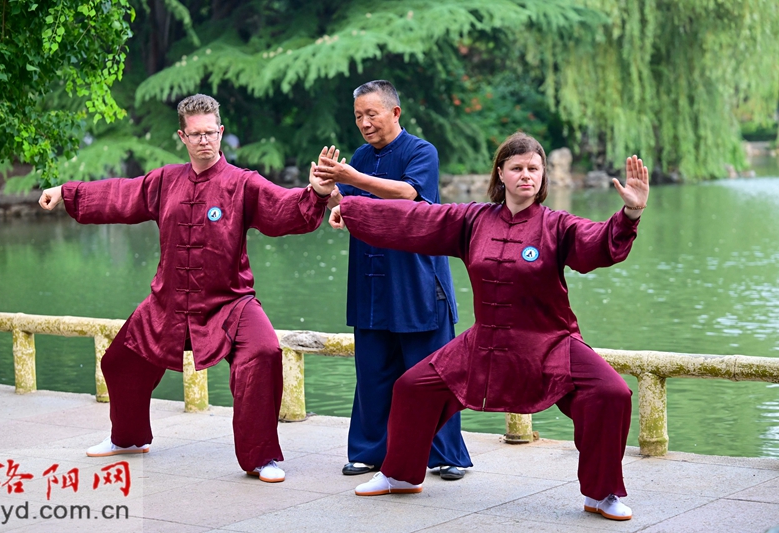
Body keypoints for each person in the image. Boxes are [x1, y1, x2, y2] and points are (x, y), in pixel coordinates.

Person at [329, 132, 649, 521]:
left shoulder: (557, 226)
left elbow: (596, 242)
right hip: (485, 342)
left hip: (550, 342)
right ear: (501, 173)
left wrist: (629, 215)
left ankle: (603, 494)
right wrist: (352, 209)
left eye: (534, 168)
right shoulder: (472, 220)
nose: (525, 176)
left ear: (543, 175)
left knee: (612, 393)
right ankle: (399, 475)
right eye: (517, 168)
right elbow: (416, 219)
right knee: (412, 388)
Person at [38, 94, 335, 483]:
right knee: (119, 362)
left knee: (262, 352)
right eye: (195, 134)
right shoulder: (164, 181)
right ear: (183, 136)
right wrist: (67, 192)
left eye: (210, 132)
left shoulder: (242, 183)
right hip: (168, 302)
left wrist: (314, 193)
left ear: (221, 131)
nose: (204, 141)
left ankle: (261, 458)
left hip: (230, 302)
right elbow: (121, 195)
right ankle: (128, 439)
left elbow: (283, 210)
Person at [312, 80, 472, 479]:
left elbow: (407, 194)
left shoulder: (421, 151)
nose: (365, 124)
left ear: (394, 113)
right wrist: (331, 193)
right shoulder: (361, 157)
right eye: (358, 117)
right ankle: (370, 451)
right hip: (370, 278)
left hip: (416, 278)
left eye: (372, 114)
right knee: (372, 369)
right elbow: (346, 202)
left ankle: (446, 454)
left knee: (430, 371)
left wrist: (352, 177)